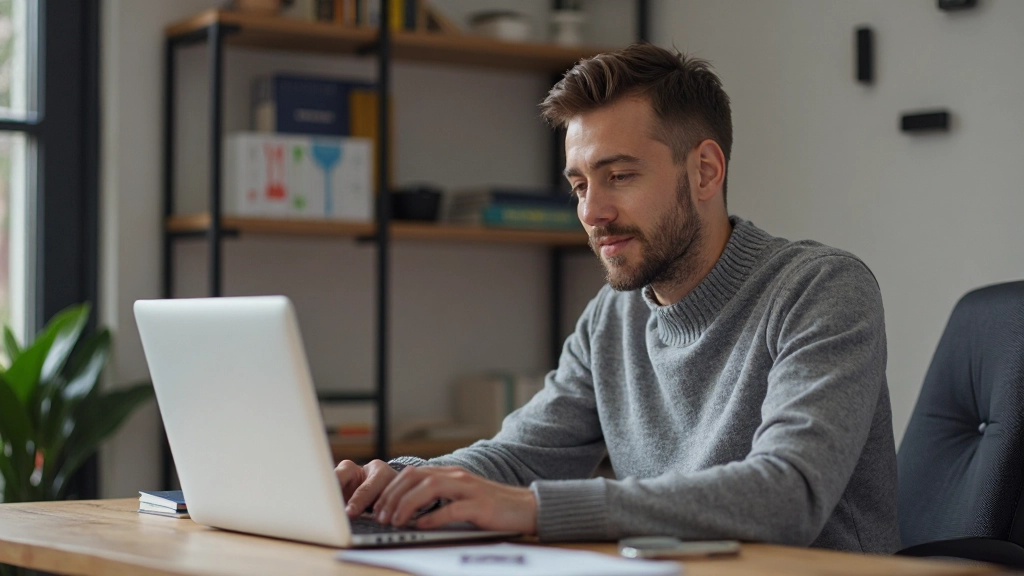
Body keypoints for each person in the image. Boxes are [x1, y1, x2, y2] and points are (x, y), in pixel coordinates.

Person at [334, 43, 900, 553]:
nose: (590, 213)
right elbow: (519, 456)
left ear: (705, 170)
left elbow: (789, 494)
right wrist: (397, 480)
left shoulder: (822, 289)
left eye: (619, 176)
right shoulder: (614, 315)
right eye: (579, 185)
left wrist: (535, 508)